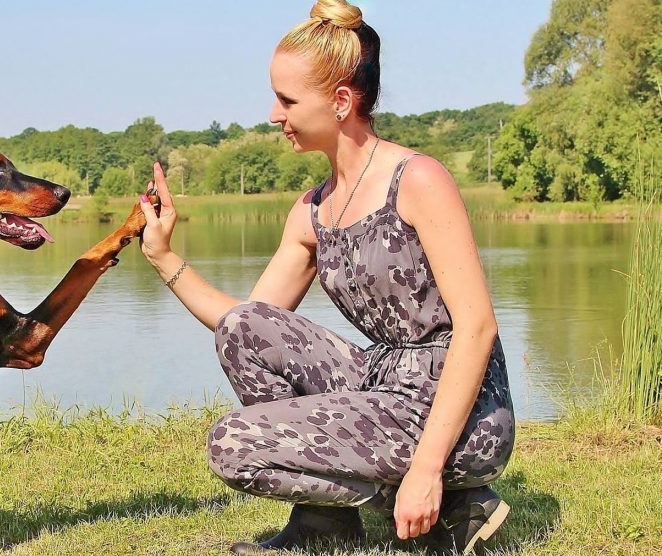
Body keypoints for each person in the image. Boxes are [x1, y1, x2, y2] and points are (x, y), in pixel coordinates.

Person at [136, 1, 515, 554]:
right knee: (245, 330)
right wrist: (164, 257)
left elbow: (477, 327)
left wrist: (427, 469)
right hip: (385, 385)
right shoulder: (312, 210)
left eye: (287, 99)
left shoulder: (419, 180)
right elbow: (245, 323)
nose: (272, 113)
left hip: (463, 410)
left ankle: (451, 499)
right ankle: (326, 522)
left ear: (341, 101)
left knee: (232, 444)